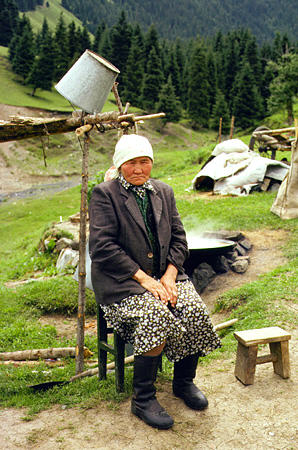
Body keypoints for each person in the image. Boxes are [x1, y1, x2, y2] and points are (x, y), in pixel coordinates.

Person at [89, 134, 221, 430]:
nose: (139, 169)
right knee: (155, 315)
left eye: (145, 162)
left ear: (152, 163)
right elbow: (102, 248)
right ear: (120, 164)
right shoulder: (104, 194)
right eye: (132, 163)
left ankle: (184, 383)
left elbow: (179, 238)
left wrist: (171, 275)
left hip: (164, 277)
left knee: (194, 309)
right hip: (123, 283)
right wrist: (145, 280)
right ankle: (143, 398)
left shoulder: (163, 191)